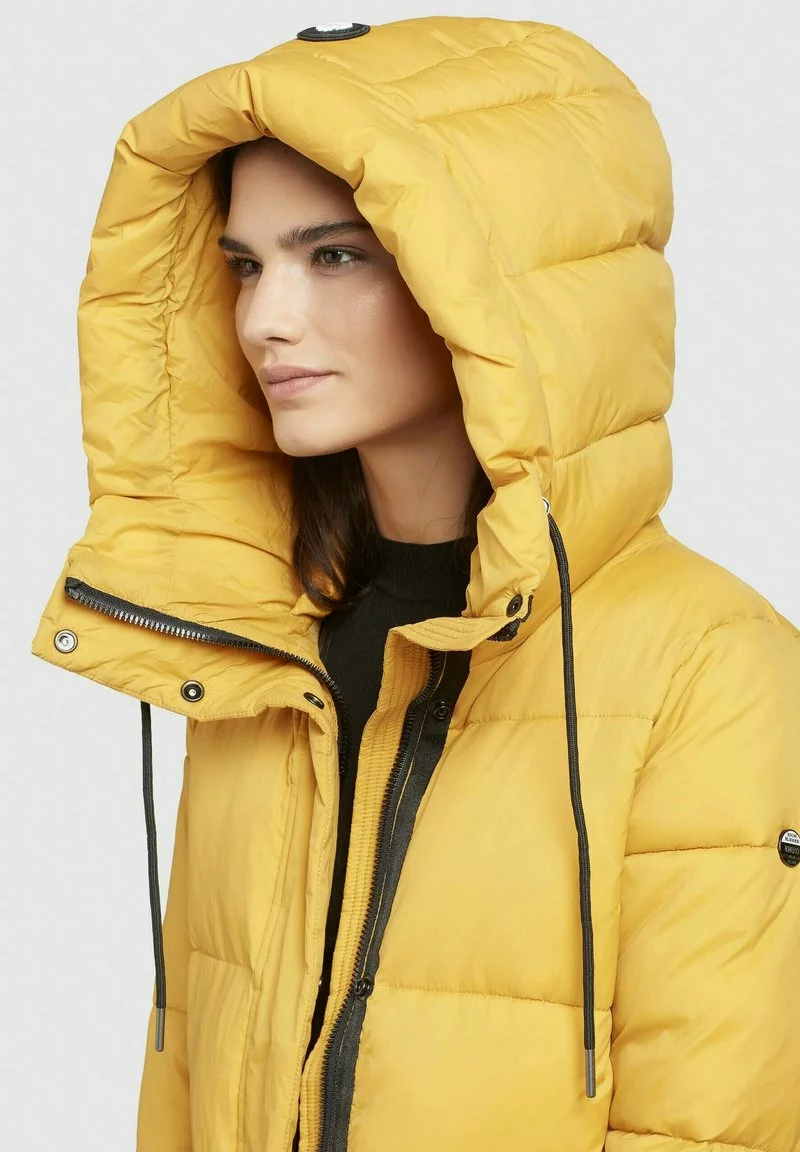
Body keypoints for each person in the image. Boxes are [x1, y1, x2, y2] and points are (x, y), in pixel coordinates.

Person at [30, 15, 800, 1152]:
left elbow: (712, 1126)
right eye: (245, 266)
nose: (264, 320)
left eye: (335, 256)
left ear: (504, 297)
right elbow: (184, 1090)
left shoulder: (712, 671)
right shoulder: (254, 651)